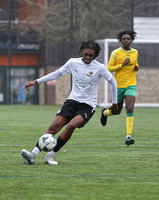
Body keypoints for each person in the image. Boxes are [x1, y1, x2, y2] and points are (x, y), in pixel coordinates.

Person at [21, 40, 118, 165]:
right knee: (54, 126)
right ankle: (33, 154)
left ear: (95, 56)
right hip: (72, 101)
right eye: (86, 54)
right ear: (81, 52)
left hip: (88, 105)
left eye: (91, 56)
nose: (88, 57)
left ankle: (50, 155)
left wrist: (115, 103)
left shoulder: (99, 68)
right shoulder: (73, 62)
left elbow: (113, 82)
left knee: (71, 126)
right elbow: (57, 74)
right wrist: (36, 81)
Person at [100, 31, 139, 146]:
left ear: (131, 40)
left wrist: (136, 67)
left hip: (131, 84)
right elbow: (109, 68)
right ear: (120, 41)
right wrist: (122, 64)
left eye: (128, 39)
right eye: (124, 39)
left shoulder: (135, 52)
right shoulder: (116, 53)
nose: (126, 40)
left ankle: (128, 137)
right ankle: (105, 113)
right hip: (118, 86)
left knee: (130, 108)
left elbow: (135, 64)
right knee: (116, 111)